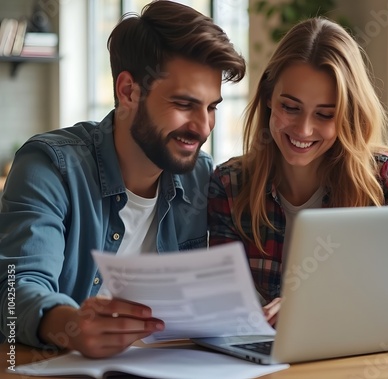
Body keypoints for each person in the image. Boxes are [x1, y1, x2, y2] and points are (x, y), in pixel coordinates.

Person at [0, 0, 245, 358]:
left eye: (211, 108)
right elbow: (14, 290)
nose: (203, 126)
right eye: (184, 104)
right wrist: (68, 324)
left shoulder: (202, 177)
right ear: (128, 91)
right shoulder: (50, 167)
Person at [207, 17, 388, 326]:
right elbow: (220, 307)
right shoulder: (230, 185)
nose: (304, 129)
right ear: (269, 99)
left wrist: (316, 306)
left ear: (349, 115)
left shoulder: (384, 181)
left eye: (325, 114)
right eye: (290, 107)